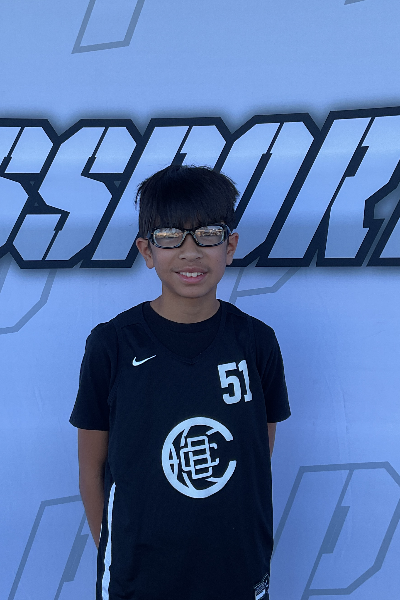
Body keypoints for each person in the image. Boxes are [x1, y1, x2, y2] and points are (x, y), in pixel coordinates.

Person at [70, 165, 291, 600]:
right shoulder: (112, 344)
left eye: (207, 235)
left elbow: (255, 450)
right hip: (140, 575)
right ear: (147, 251)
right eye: (170, 236)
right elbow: (91, 469)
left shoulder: (256, 342)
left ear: (230, 246)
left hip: (236, 566)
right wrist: (117, 552)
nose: (190, 252)